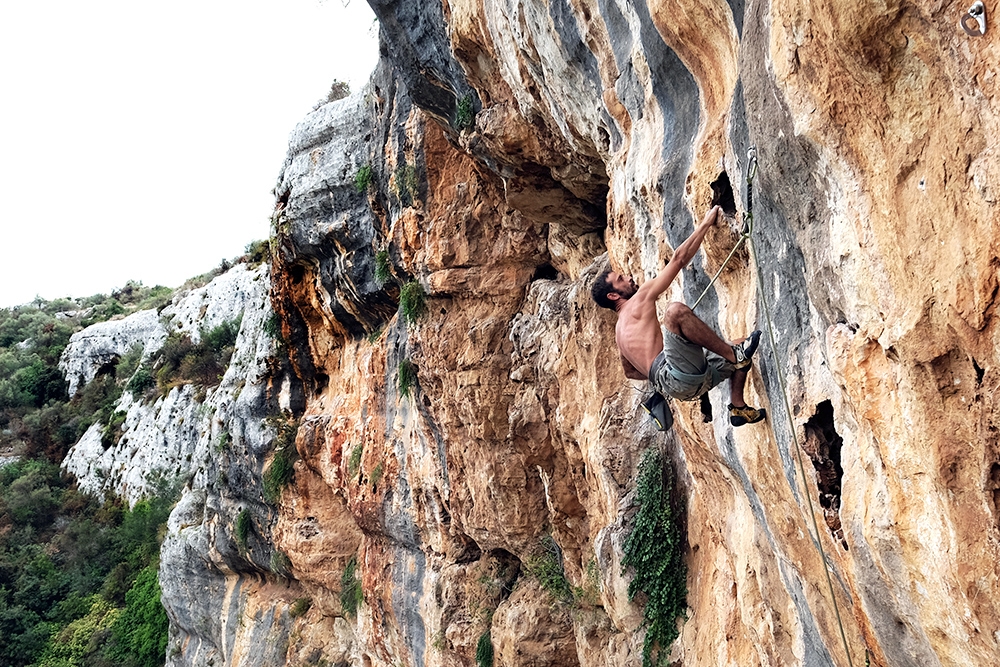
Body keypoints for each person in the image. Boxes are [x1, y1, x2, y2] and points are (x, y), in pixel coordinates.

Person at [591, 204, 766, 427]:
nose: (628, 277)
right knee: (674, 313)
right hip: (675, 376)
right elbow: (678, 260)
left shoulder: (619, 335)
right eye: (620, 279)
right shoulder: (639, 298)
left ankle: (738, 407)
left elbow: (630, 372)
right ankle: (735, 355)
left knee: (743, 342)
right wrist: (705, 223)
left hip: (682, 385)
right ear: (614, 295)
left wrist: (664, 374)